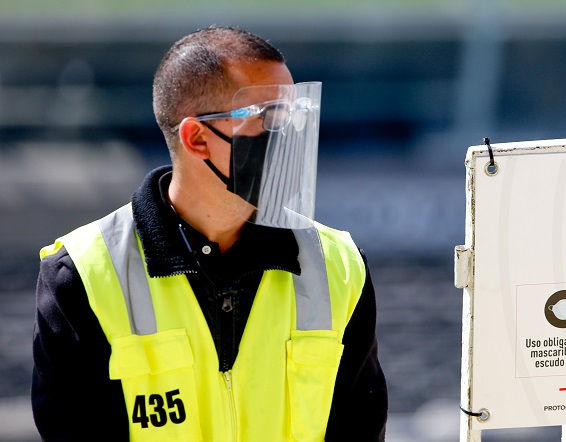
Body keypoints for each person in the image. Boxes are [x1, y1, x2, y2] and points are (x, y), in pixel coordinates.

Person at [32, 26, 388, 441]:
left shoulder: (340, 267)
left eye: (296, 117)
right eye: (270, 118)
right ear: (197, 138)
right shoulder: (81, 275)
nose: (291, 137)